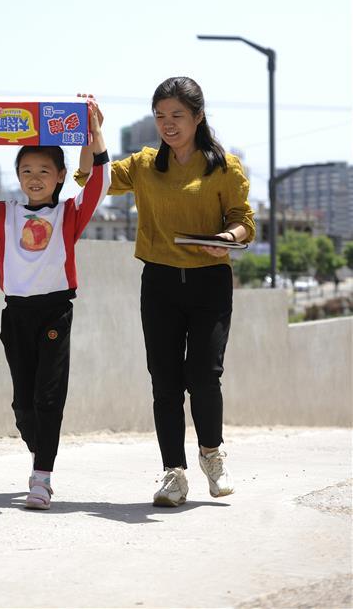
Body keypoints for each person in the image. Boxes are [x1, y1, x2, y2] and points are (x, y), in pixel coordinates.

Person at [75, 78, 255, 507]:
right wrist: (90, 132)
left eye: (177, 115)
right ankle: (174, 474)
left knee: (205, 376)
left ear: (198, 117)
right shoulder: (142, 165)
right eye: (160, 116)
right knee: (165, 382)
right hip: (158, 283)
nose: (168, 124)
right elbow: (88, 177)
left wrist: (227, 236)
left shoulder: (223, 167)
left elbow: (243, 219)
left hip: (209, 280)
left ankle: (212, 454)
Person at [0, 103, 110, 509]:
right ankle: (41, 447)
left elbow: (98, 185)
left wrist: (96, 138)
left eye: (44, 171)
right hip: (16, 314)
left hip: (55, 311)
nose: (34, 179)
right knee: (23, 406)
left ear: (60, 176)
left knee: (47, 396)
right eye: (26, 171)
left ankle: (42, 477)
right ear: (18, 177)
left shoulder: (69, 214)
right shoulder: (3, 215)